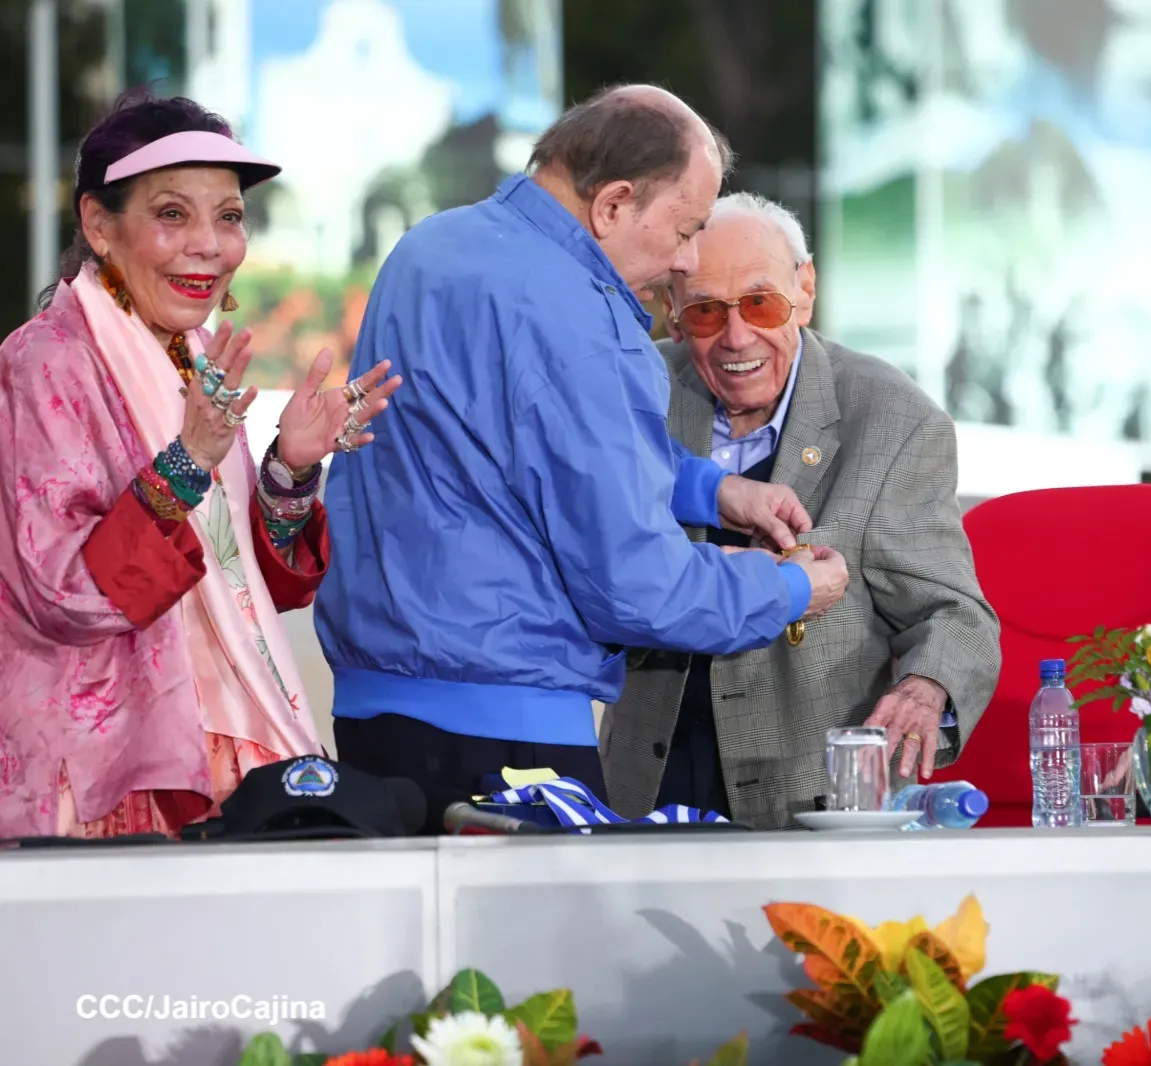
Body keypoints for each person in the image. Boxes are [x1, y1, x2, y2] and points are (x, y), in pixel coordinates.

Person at [315, 86, 849, 825]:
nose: (687, 260)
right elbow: (639, 587)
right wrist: (788, 591)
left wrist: (708, 491)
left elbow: (507, 451)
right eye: (687, 228)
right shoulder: (587, 314)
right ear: (614, 205)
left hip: (374, 717)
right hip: (511, 734)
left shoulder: (429, 247)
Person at [0, 92, 401, 840]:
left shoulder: (185, 355)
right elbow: (64, 593)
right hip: (100, 775)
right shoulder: (47, 359)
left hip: (213, 749)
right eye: (173, 214)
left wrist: (288, 467)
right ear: (98, 225)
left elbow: (239, 574)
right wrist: (186, 464)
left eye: (229, 216)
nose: (211, 245)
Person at [601, 193, 1000, 829]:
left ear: (805, 290)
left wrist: (925, 690)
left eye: (760, 303)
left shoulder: (893, 420)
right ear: (671, 314)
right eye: (705, 312)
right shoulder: (633, 394)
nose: (737, 336)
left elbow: (953, 613)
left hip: (811, 799)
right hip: (644, 781)